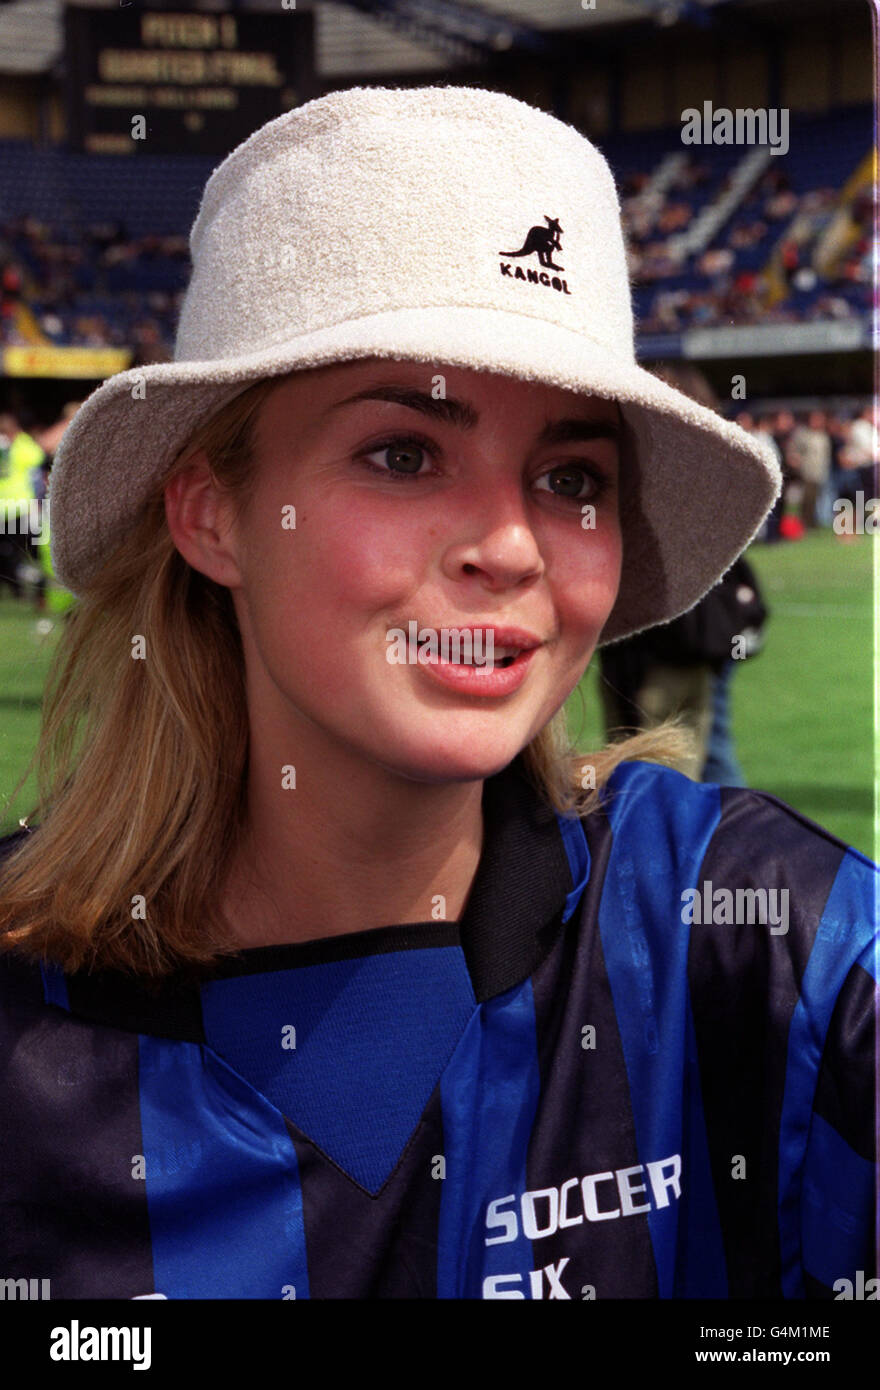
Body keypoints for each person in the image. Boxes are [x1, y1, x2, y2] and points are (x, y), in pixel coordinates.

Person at [0, 85, 875, 1301]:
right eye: (405, 453)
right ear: (209, 512)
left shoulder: (749, 938)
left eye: (572, 474)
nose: (512, 545)